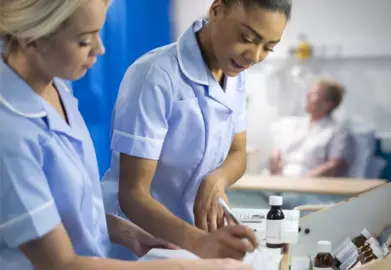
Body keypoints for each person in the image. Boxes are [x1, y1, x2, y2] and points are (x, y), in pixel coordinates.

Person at [0, 0, 252, 269]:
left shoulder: (56, 87)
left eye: (98, 33)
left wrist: (124, 231)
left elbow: (69, 208)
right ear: (31, 39)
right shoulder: (9, 134)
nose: (100, 48)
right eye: (84, 41)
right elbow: (62, 264)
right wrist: (188, 265)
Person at [101, 0, 291, 259]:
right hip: (139, 238)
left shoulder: (233, 71)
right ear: (216, 10)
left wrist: (216, 180)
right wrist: (201, 242)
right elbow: (133, 194)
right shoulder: (155, 75)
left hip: (191, 239)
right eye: (247, 38)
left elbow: (238, 153)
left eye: (268, 47)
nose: (254, 56)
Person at [269, 78, 354, 178]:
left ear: (328, 104)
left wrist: (307, 180)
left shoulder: (336, 131)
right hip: (280, 180)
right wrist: (275, 163)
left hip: (310, 183)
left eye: (314, 93)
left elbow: (335, 165)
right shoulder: (293, 125)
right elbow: (277, 154)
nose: (307, 96)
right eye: (309, 92)